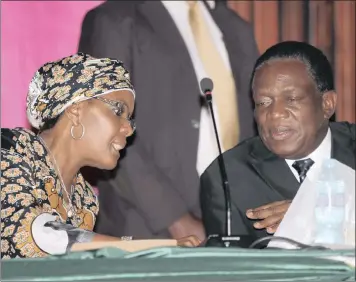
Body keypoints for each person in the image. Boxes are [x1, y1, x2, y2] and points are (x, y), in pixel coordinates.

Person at [78, 0, 259, 241]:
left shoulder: (235, 27)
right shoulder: (115, 18)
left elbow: (254, 130)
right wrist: (177, 220)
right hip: (147, 231)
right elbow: (103, 126)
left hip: (233, 230)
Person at [1, 53, 199, 259]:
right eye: (118, 111)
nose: (128, 129)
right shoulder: (10, 149)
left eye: (130, 120)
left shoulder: (84, 199)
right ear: (76, 110)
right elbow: (40, 234)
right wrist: (149, 248)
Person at [200, 41, 356, 242]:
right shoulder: (227, 177)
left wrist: (319, 212)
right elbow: (232, 270)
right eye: (263, 103)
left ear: (327, 104)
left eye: (291, 99)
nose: (274, 114)